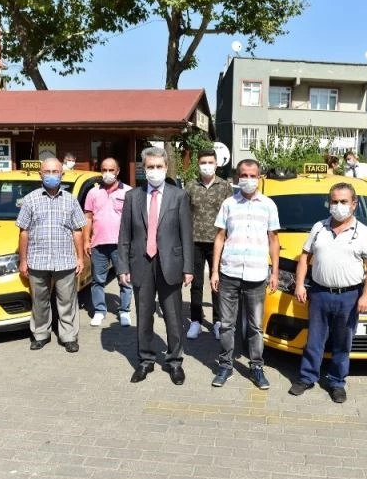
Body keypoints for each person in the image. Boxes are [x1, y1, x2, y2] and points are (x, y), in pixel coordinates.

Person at [288, 183, 367, 403]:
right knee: (314, 340)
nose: (338, 206)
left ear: (354, 204)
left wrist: (366, 295)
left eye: (344, 201)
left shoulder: (364, 233)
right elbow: (304, 257)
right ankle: (307, 377)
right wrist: (300, 284)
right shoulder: (319, 227)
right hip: (319, 293)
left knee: (342, 343)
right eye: (334, 201)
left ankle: (337, 382)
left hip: (349, 297)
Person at [117, 147, 194, 385]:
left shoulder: (178, 196)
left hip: (171, 263)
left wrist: (188, 268)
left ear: (166, 167)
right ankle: (145, 360)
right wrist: (122, 267)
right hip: (141, 263)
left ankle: (175, 362)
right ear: (144, 168)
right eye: (150, 166)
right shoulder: (133, 197)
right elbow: (124, 234)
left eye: (159, 166)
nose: (154, 170)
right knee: (144, 315)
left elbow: (186, 234)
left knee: (173, 316)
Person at [210, 159, 280, 389]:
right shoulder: (229, 203)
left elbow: (274, 240)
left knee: (255, 326)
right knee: (226, 324)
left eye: (252, 175)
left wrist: (274, 272)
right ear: (237, 178)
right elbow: (220, 237)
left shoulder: (268, 205)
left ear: (259, 177)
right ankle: (225, 365)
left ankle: (256, 367)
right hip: (229, 272)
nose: (248, 179)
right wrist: (214, 271)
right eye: (244, 175)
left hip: (256, 274)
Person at [17, 157, 87, 353]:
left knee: (67, 301)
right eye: (47, 172)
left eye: (55, 172)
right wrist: (23, 260)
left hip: (65, 261)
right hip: (37, 260)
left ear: (62, 174)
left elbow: (77, 231)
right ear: (40, 174)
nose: (51, 175)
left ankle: (68, 336)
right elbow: (23, 232)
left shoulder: (71, 200)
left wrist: (80, 258)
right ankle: (40, 334)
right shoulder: (30, 199)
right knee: (39, 301)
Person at [185, 149, 232, 340]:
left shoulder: (225, 186)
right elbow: (184, 214)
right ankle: (196, 321)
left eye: (210, 162)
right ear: (198, 164)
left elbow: (231, 215)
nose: (207, 166)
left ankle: (218, 321)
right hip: (195, 241)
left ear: (216, 164)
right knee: (196, 284)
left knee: (217, 283)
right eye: (203, 162)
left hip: (218, 243)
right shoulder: (190, 186)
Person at [84, 158, 133, 327]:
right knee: (98, 280)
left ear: (118, 171)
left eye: (111, 170)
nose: (108, 173)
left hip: (121, 245)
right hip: (98, 243)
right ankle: (99, 311)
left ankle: (124, 311)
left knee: (125, 279)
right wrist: (86, 240)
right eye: (104, 170)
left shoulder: (128, 192)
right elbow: (88, 218)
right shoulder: (93, 193)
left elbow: (133, 220)